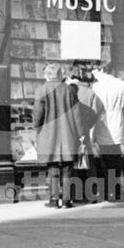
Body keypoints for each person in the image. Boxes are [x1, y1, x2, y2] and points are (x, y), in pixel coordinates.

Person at [33, 62, 83, 208]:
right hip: (68, 134)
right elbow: (77, 115)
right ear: (61, 75)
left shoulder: (41, 90)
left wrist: (38, 130)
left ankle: (54, 200)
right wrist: (80, 134)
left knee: (52, 167)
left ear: (47, 75)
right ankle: (67, 200)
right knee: (68, 168)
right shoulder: (70, 91)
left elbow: (37, 115)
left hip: (49, 134)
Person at [66, 64, 105, 201]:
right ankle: (92, 193)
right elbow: (96, 113)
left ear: (68, 76)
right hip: (85, 133)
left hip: (70, 133)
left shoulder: (66, 91)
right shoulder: (90, 92)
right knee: (88, 163)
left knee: (73, 164)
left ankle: (75, 194)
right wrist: (87, 126)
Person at [90, 62, 124, 201]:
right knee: (115, 157)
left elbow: (94, 107)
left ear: (100, 70)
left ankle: (109, 190)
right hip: (117, 121)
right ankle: (116, 189)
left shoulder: (96, 86)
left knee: (105, 159)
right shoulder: (121, 84)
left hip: (103, 123)